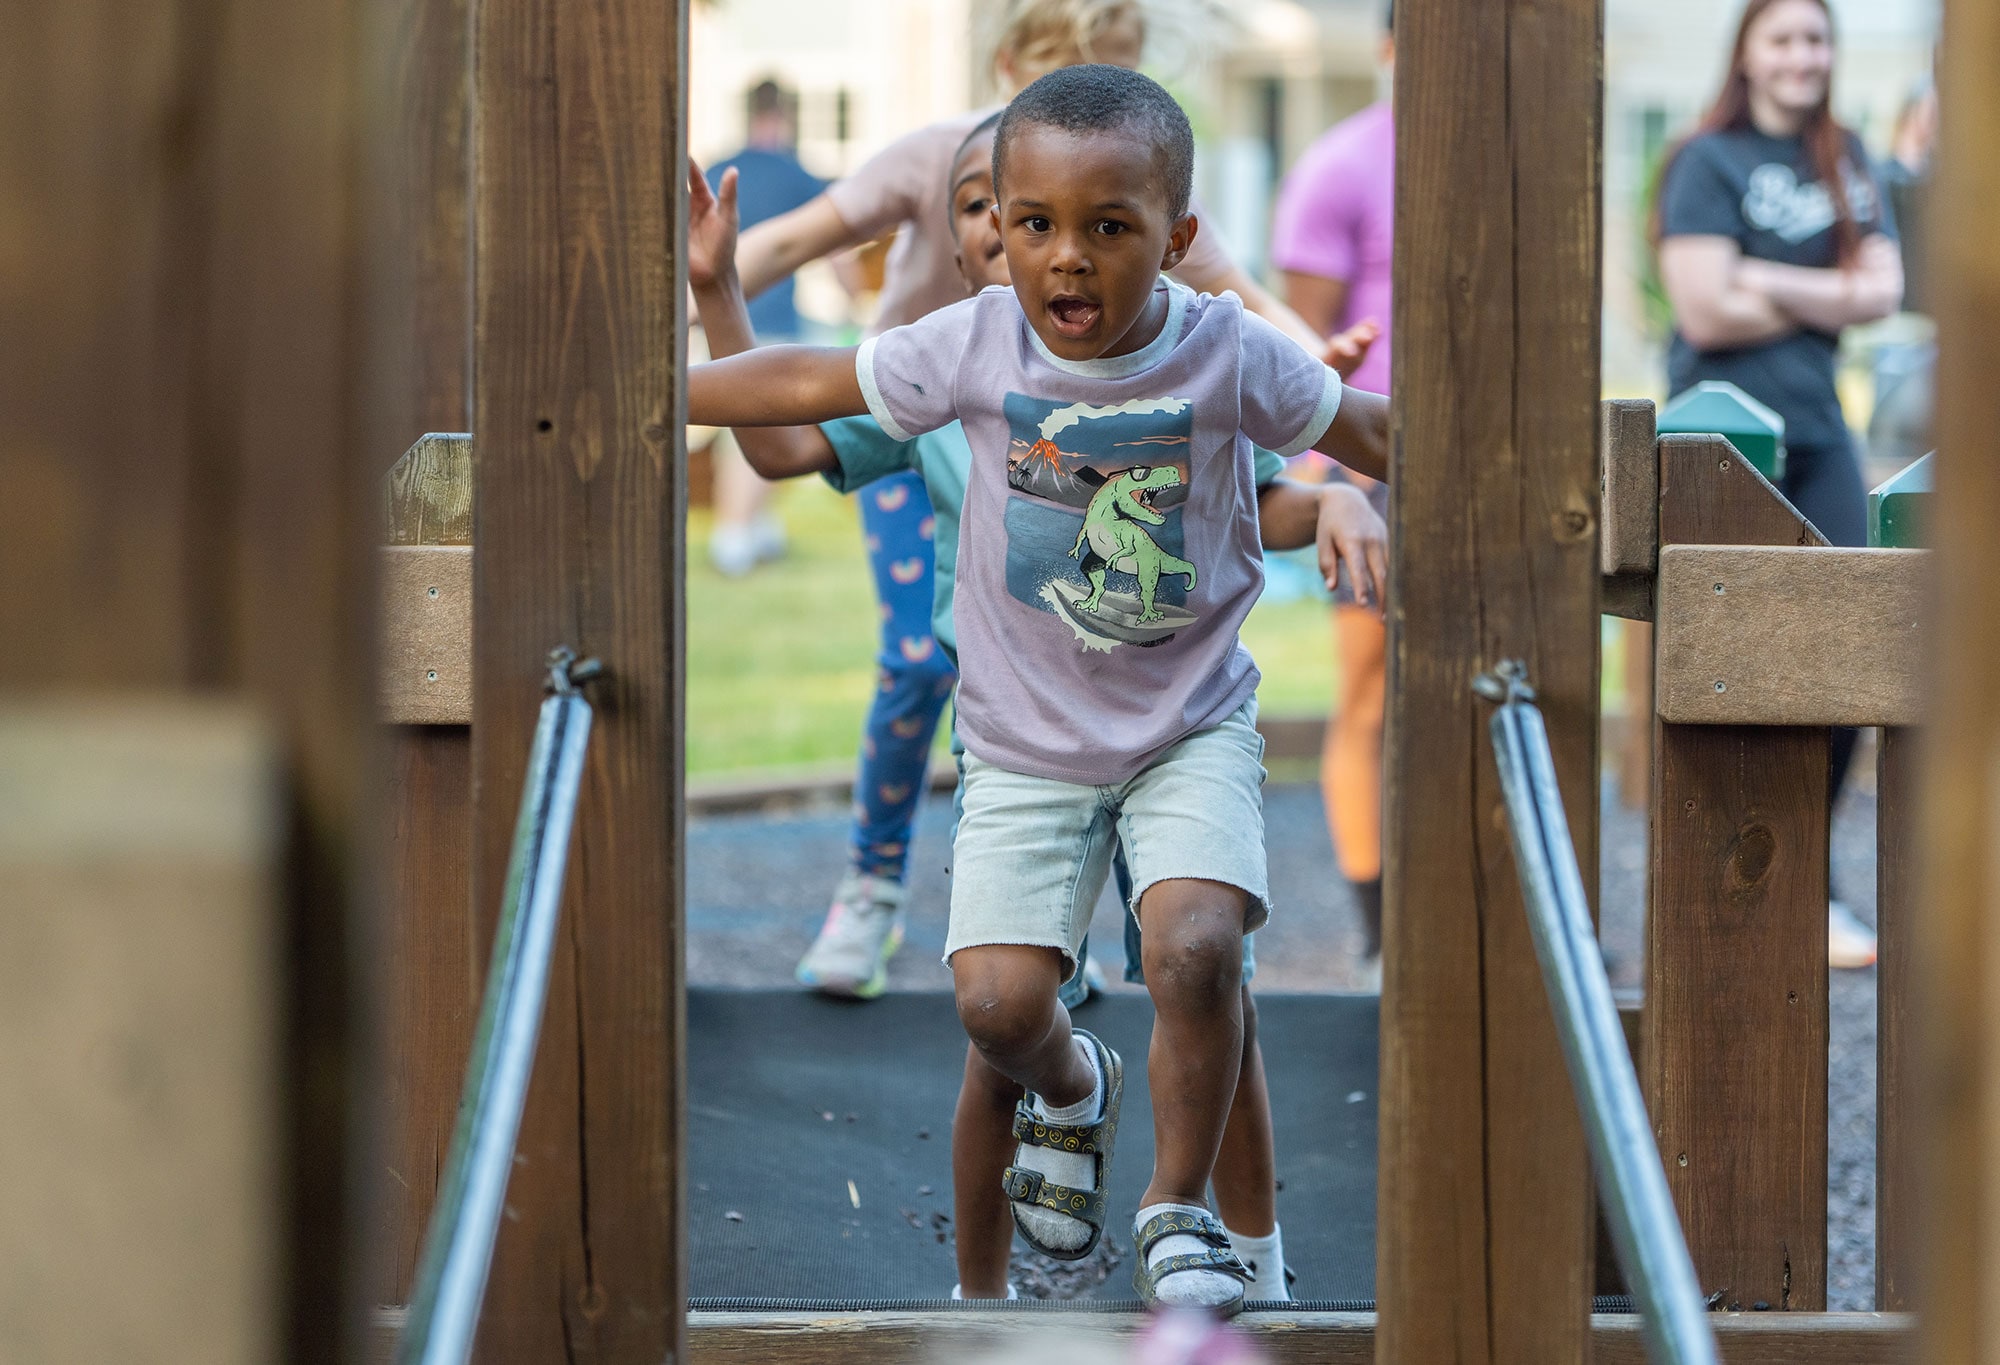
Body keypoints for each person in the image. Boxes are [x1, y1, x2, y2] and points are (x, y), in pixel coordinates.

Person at [689, 63, 1391, 1316]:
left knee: (1194, 945)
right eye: (1034, 228)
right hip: (1022, 747)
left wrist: (1487, 465)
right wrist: (649, 393)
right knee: (999, 1007)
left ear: (1176, 242)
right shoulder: (969, 343)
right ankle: (1076, 1093)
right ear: (996, 234)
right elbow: (803, 391)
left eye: (1108, 230)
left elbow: (1364, 427)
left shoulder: (1229, 352)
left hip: (1185, 727)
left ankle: (1179, 1213)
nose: (1067, 260)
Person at [730, 0, 1348, 1005]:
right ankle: (876, 883)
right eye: (1009, 215)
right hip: (919, 449)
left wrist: (1316, 387)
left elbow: (1242, 316)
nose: (1061, 244)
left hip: (1116, 675)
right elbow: (795, 346)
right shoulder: (949, 288)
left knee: (1186, 943)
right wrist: (706, 296)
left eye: (1120, 65)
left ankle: (1088, 935)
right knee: (911, 668)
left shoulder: (1169, 325)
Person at [1654, 0, 1902, 969]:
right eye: (1784, 37)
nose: (1803, 56)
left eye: (1816, 38)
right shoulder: (1702, 160)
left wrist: (1759, 277)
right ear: (1746, 51)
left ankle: (1810, 881)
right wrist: (1825, 291)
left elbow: (1883, 290)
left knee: (1845, 647)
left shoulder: (1842, 157)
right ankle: (1721, 886)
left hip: (1816, 432)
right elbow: (1703, 312)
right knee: (1723, 656)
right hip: (1720, 441)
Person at [1268, 0, 1395, 990]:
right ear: (1390, 49)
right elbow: (1298, 344)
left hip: (1494, 462)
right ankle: (1378, 928)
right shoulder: (1340, 166)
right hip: (1371, 461)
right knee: (1371, 697)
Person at [706, 79, 826, 577]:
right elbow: (836, 249)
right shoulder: (797, 175)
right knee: (765, 426)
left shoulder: (715, 170)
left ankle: (753, 526)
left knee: (736, 429)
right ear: (785, 116)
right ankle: (733, 533)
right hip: (772, 322)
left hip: (714, 319)